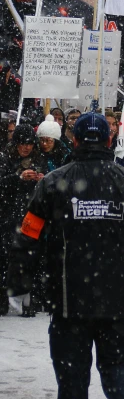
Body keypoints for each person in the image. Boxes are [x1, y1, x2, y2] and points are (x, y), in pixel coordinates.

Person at [5, 112, 124, 399]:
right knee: (118, 376)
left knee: (72, 383)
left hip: (70, 302)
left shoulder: (54, 182)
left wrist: (19, 283)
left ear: (75, 140)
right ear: (109, 140)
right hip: (116, 301)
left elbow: (27, 238)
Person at [0, 124, 46, 317]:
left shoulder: (38, 160)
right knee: (5, 257)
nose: (26, 147)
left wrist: (41, 179)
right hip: (8, 214)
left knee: (29, 258)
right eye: (22, 143)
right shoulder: (4, 159)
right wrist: (18, 178)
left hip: (30, 215)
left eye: (29, 143)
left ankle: (28, 297)